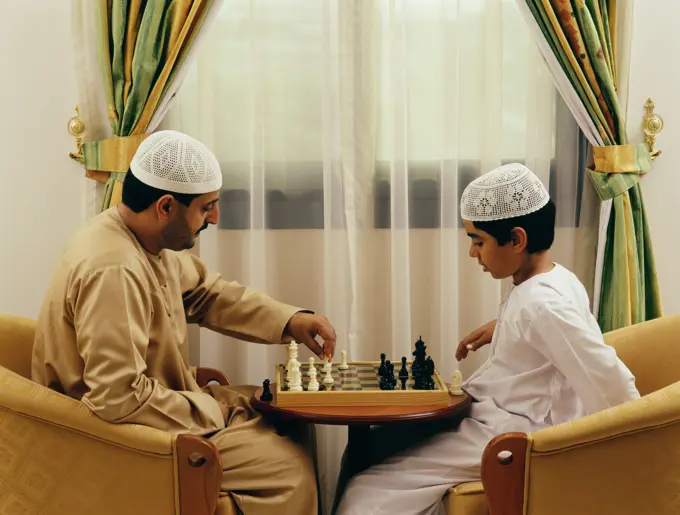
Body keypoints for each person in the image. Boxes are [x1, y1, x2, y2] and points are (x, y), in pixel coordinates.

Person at [32, 130, 336, 515]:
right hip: (115, 439)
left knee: (290, 416)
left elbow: (208, 294)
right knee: (289, 471)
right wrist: (211, 411)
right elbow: (117, 399)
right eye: (207, 207)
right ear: (165, 206)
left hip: (159, 407)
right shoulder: (113, 269)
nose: (215, 217)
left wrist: (291, 320)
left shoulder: (146, 241)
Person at [333, 163, 640, 515]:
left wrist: (636, 450)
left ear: (517, 239)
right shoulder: (552, 281)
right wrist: (504, 325)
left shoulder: (542, 306)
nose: (472, 253)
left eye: (478, 241)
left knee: (364, 492)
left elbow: (612, 384)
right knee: (370, 446)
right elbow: (548, 326)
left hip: (514, 435)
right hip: (494, 416)